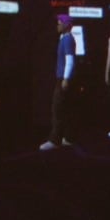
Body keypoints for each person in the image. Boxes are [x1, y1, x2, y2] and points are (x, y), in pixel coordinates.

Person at [39, 14, 76, 150]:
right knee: (65, 108)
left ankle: (55, 140)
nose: (57, 25)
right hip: (63, 78)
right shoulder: (64, 38)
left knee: (57, 109)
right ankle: (68, 137)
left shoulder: (67, 39)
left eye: (59, 23)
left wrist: (65, 78)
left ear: (66, 25)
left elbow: (70, 61)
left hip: (63, 79)